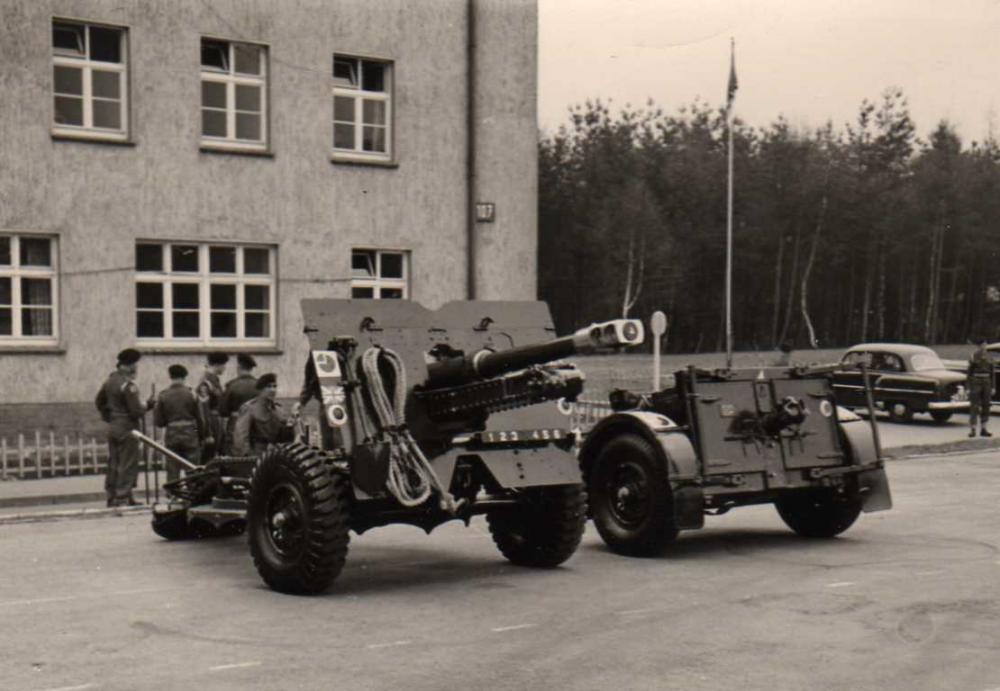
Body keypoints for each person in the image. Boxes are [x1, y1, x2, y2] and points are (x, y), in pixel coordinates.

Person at [95, 348, 154, 508]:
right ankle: (123, 497)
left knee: (114, 462)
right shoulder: (128, 386)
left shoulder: (109, 381)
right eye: (135, 365)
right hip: (128, 428)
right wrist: (148, 405)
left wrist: (109, 417)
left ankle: (112, 496)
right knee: (128, 463)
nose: (136, 368)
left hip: (114, 426)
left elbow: (99, 401)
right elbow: (136, 411)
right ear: (129, 366)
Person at [153, 364, 203, 481]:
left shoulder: (163, 395)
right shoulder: (192, 394)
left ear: (170, 377)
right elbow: (200, 418)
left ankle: (173, 494)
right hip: (190, 432)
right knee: (192, 467)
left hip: (172, 433)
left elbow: (159, 421)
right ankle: (192, 493)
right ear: (184, 377)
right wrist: (201, 435)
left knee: (172, 466)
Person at [232, 373, 294, 455]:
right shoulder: (250, 408)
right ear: (260, 390)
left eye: (275, 386)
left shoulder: (278, 410)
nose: (273, 390)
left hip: (275, 455)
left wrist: (290, 427)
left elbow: (284, 438)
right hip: (256, 454)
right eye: (268, 387)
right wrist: (247, 456)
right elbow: (241, 437)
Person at [219, 353, 258, 453]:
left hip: (236, 422)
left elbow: (223, 410)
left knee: (234, 451)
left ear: (239, 367)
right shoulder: (259, 385)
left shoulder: (232, 385)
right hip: (255, 422)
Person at [196, 353, 229, 460]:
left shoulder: (214, 380)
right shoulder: (206, 382)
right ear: (217, 365)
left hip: (216, 421)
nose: (225, 368)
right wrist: (207, 433)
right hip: (211, 422)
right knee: (207, 458)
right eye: (224, 365)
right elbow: (203, 409)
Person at [967, 340, 995, 438]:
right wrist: (968, 387)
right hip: (976, 381)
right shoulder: (974, 356)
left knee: (986, 405)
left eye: (985, 345)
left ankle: (984, 428)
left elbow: (992, 373)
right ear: (979, 346)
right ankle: (973, 429)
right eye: (982, 345)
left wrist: (993, 387)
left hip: (987, 381)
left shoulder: (989, 357)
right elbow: (969, 372)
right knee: (974, 406)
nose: (984, 347)